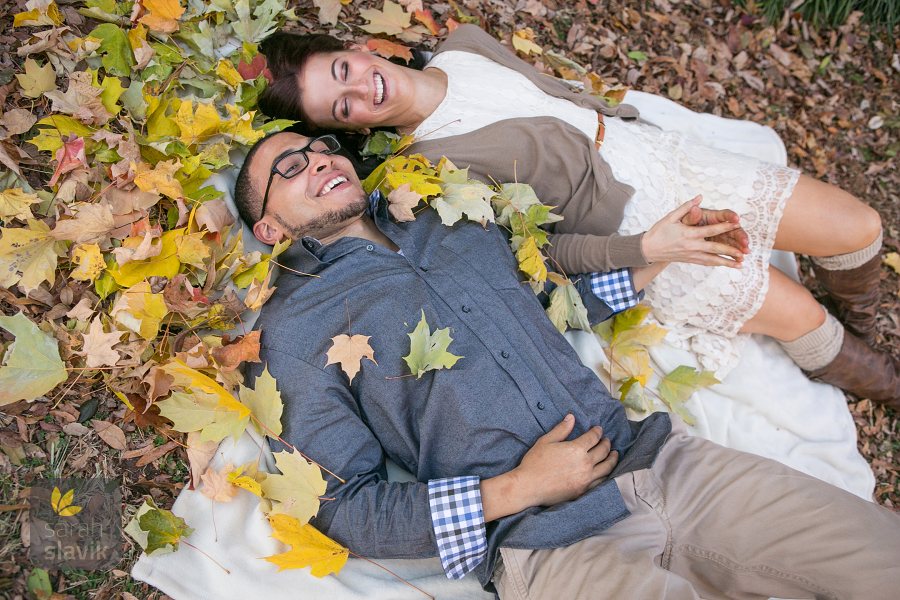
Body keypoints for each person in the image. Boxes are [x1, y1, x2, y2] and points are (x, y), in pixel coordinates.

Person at [235, 130, 900, 599]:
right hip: (547, 544)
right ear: (267, 229)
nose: (317, 159)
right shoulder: (292, 332)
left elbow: (551, 307)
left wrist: (655, 256)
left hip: (658, 462)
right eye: (288, 169)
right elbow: (342, 507)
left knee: (879, 559)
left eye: (320, 147)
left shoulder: (450, 220)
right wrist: (519, 488)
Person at [256, 25, 899, 405]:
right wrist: (649, 248)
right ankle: (884, 378)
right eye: (340, 108)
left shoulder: (463, 45)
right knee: (803, 318)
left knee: (861, 227)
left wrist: (620, 120)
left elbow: (556, 94)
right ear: (347, 130)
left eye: (344, 70)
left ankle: (864, 312)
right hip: (640, 225)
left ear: (361, 50)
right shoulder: (429, 174)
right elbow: (540, 255)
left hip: (661, 155)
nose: (359, 90)